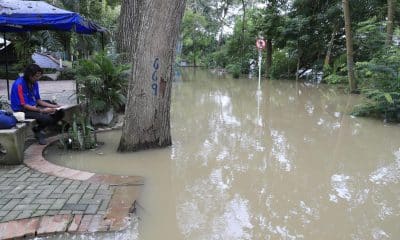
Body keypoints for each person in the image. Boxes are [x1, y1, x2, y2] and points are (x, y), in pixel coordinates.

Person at [10, 64, 64, 145]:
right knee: (46, 118)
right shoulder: (19, 84)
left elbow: (38, 100)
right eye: (36, 76)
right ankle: (38, 131)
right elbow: (24, 105)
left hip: (33, 105)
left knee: (61, 112)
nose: (38, 78)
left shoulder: (34, 83)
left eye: (39, 76)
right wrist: (43, 110)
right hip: (22, 109)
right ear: (29, 75)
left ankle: (44, 126)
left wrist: (55, 106)